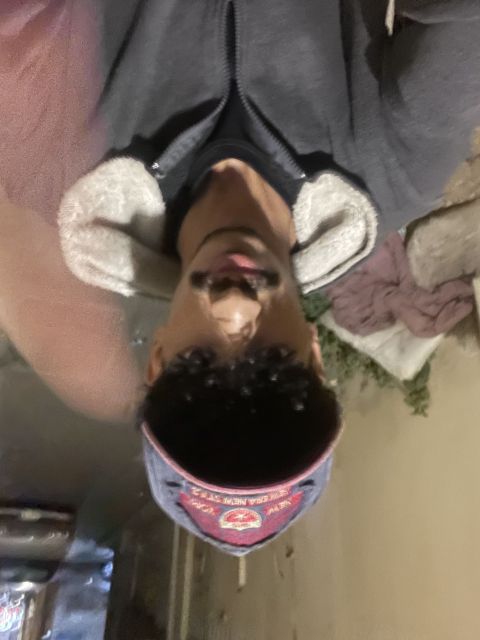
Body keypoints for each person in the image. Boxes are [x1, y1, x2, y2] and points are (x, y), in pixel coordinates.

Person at [4, 1, 480, 554]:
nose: (236, 308)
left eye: (200, 364)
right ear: (314, 355)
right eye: (272, 362)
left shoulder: (57, 161)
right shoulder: (394, 173)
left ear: (158, 359)